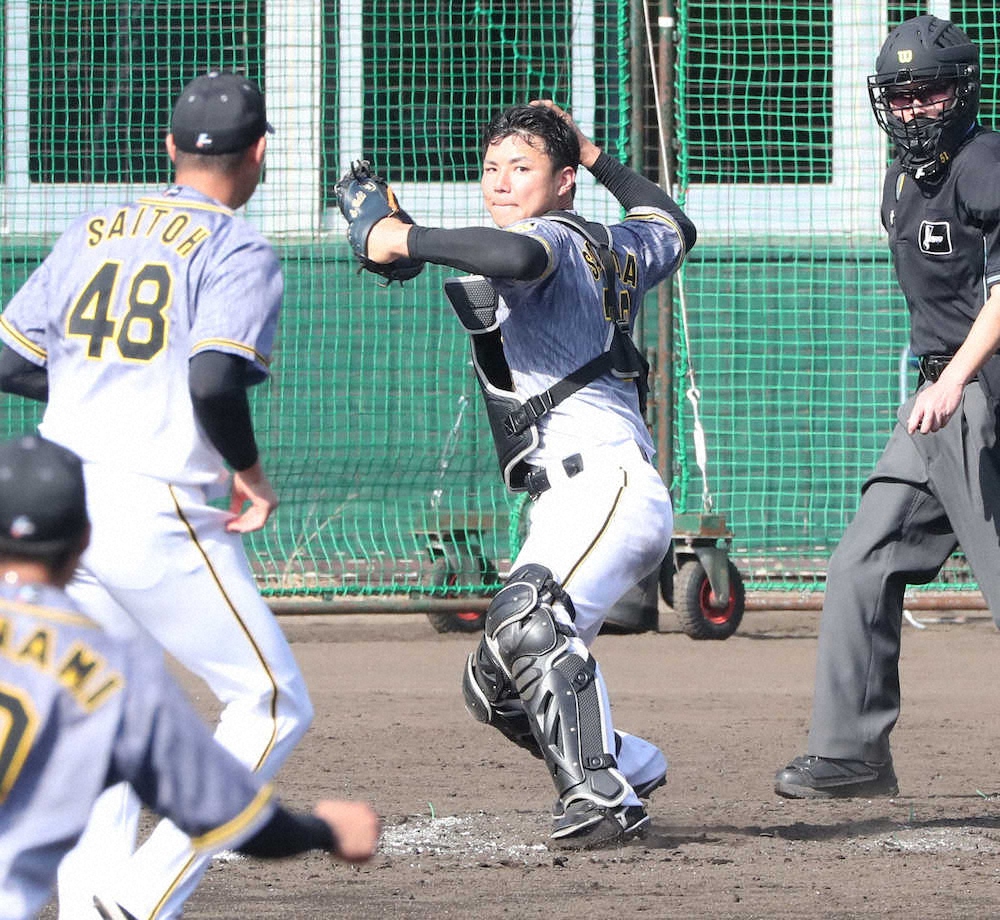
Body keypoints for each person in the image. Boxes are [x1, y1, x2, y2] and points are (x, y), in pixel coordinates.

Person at [0, 72, 315, 917]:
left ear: (171, 148)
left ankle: (90, 894)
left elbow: (8, 358)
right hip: (158, 502)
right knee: (271, 699)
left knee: (97, 690)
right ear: (257, 155)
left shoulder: (93, 227)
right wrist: (248, 470)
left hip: (63, 505)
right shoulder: (237, 246)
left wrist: (97, 387)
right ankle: (138, 897)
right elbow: (214, 378)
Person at [357, 100, 696, 847]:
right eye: (490, 168)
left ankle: (601, 800)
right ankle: (629, 762)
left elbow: (515, 258)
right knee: (495, 685)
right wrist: (601, 154)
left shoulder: (550, 237)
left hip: (606, 482)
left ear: (564, 181)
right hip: (572, 501)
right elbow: (674, 223)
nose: (501, 182)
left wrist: (396, 234)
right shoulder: (621, 241)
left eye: (523, 168)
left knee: (527, 621)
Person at [0, 435, 380, 920]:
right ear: (84, 541)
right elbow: (226, 815)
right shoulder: (111, 675)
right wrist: (325, 830)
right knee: (272, 701)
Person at [774, 15, 1000, 798]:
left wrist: (954, 380)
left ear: (963, 91)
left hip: (980, 394)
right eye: (898, 97)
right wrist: (942, 384)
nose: (912, 110)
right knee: (862, 562)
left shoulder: (985, 163)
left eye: (928, 92)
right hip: (942, 400)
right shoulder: (903, 179)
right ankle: (852, 752)